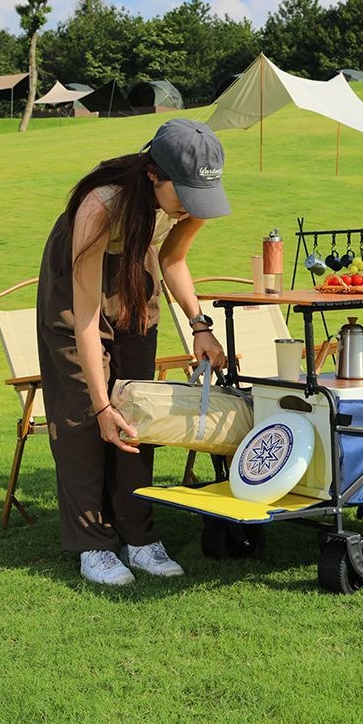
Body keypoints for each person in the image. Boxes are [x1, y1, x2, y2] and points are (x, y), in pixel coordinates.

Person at [36, 118, 230, 586]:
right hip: (75, 286)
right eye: (184, 193)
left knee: (139, 406)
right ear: (153, 175)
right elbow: (85, 319)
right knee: (84, 413)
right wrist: (102, 406)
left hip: (135, 275)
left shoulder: (193, 198)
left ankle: (139, 537)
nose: (191, 206)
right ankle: (93, 544)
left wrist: (199, 325)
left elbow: (172, 259)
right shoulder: (100, 205)